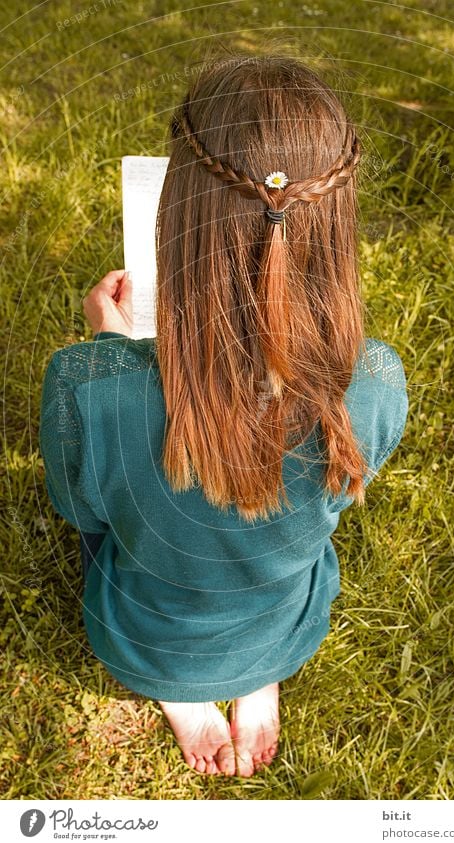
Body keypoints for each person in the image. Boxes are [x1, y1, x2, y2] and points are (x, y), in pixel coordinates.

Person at [39, 54, 409, 778]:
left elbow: (80, 508)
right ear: (336, 221)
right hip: (287, 619)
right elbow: (335, 494)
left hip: (140, 633)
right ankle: (254, 668)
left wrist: (110, 349)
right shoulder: (375, 378)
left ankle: (180, 687)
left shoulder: (84, 385)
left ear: (176, 210)